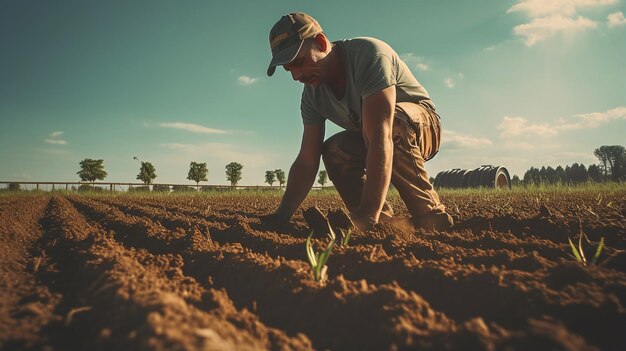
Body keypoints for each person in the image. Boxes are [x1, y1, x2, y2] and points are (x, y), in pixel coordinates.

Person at [261, 12, 453, 231]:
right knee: (334, 150)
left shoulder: (369, 55)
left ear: (321, 43)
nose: (296, 76)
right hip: (374, 136)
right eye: (289, 70)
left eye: (300, 63)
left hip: (421, 126)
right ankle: (383, 224)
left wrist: (368, 213)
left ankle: (429, 215)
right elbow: (307, 160)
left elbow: (380, 135)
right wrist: (283, 214)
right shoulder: (312, 96)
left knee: (394, 122)